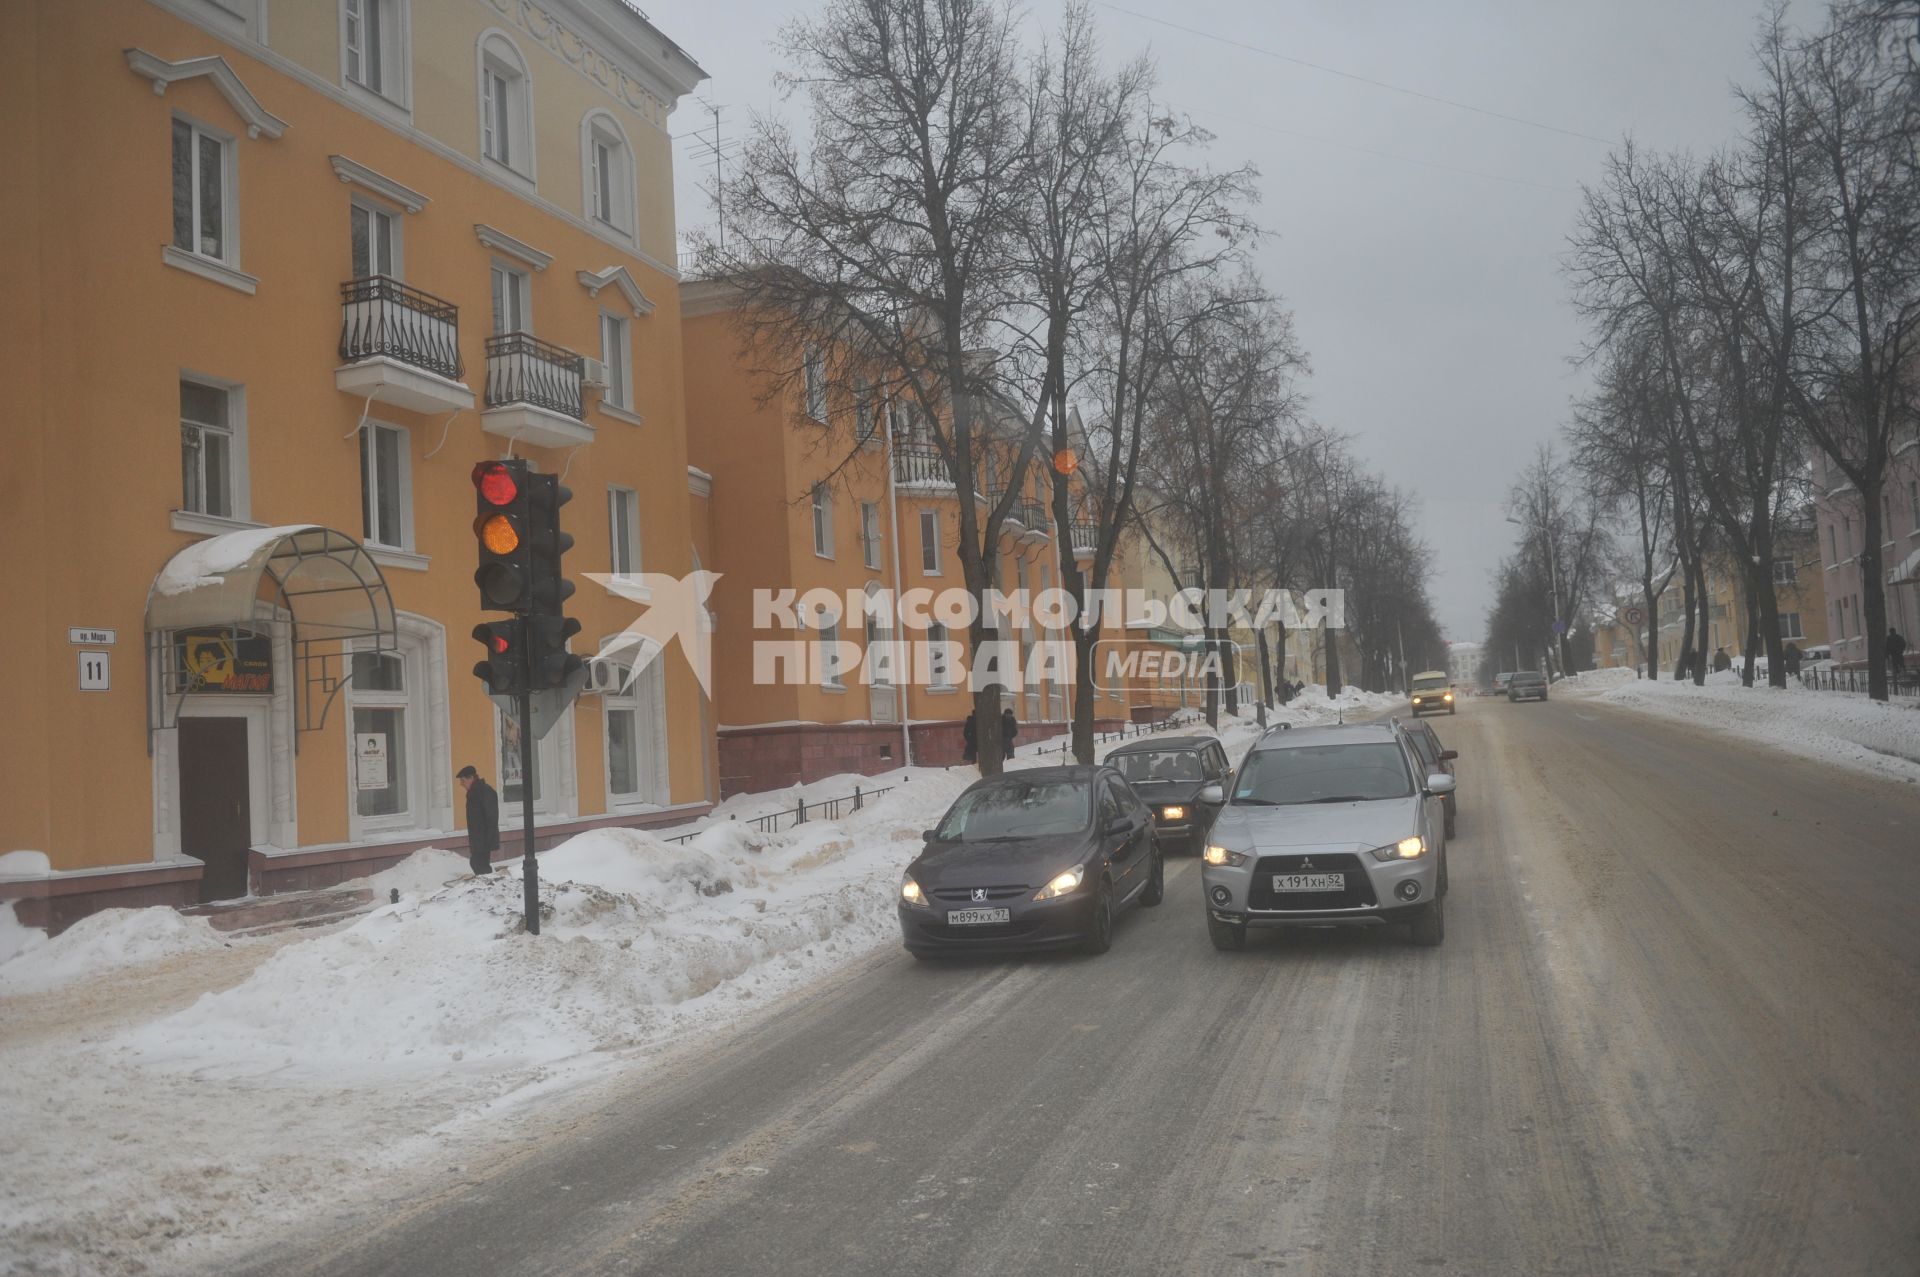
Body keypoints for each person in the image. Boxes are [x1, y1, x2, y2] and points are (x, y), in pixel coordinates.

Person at [457, 765, 499, 877]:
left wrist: (488, 840)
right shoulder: (474, 792)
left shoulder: (485, 791)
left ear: (471, 778)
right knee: (478, 864)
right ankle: (487, 884)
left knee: (478, 864)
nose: (461, 784)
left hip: (483, 838)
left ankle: (489, 883)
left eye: (463, 780)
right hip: (477, 838)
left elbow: (492, 817)